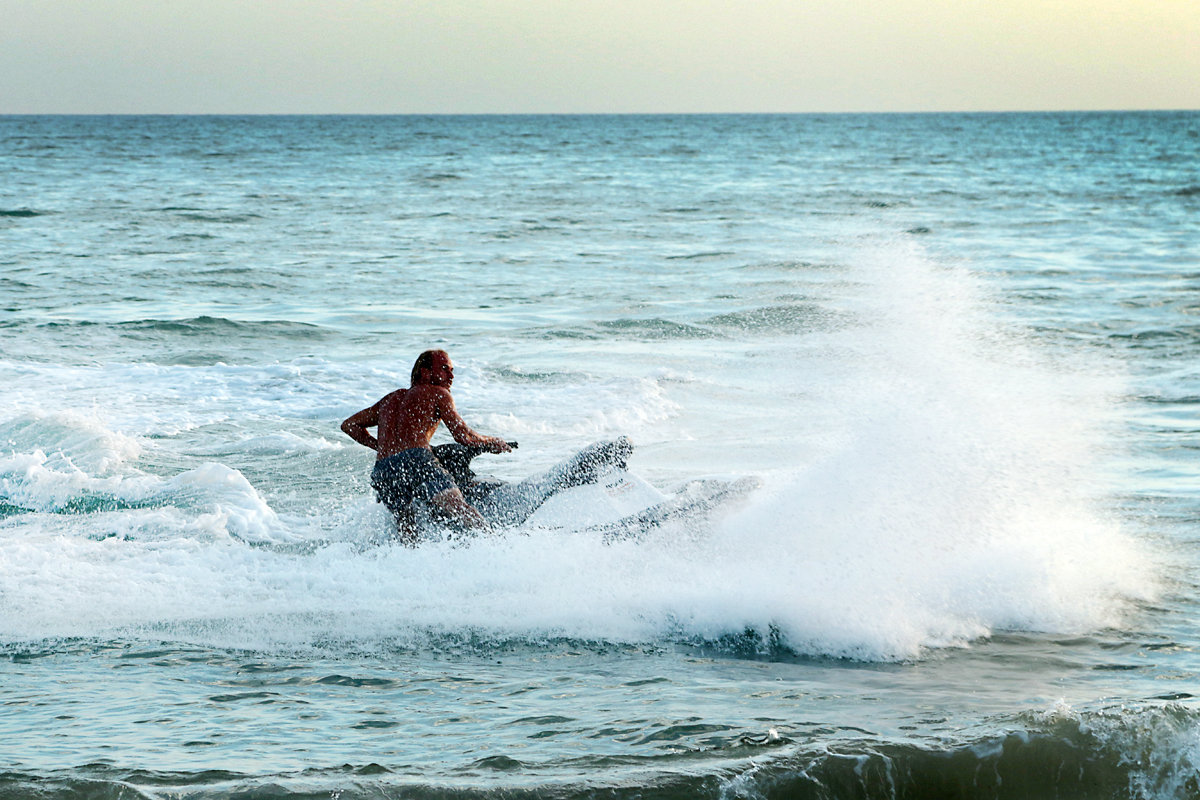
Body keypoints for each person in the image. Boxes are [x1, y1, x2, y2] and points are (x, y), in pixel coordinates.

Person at [341, 349, 512, 542]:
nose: (451, 376)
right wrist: (492, 441)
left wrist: (382, 447)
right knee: (459, 508)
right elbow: (463, 436)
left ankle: (409, 563)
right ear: (425, 372)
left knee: (407, 527)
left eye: (452, 370)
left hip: (384, 468)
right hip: (417, 459)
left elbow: (349, 425)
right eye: (445, 369)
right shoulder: (438, 393)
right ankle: (498, 545)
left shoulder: (390, 399)